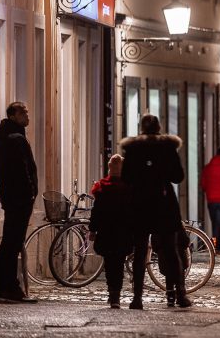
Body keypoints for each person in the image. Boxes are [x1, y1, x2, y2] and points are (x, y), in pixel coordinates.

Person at [121, 114, 191, 309]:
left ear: (141, 128)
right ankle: (180, 295)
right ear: (159, 128)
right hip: (164, 203)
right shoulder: (168, 147)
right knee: (171, 250)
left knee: (140, 251)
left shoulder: (133, 148)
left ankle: (137, 298)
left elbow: (126, 177)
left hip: (140, 204)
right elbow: (178, 176)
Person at [0, 102, 39, 303]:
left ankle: (6, 287)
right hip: (18, 199)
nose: (27, 116)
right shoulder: (14, 139)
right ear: (12, 116)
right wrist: (29, 193)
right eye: (23, 113)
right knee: (11, 244)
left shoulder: (10, 137)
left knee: (10, 243)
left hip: (13, 198)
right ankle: (9, 287)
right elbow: (20, 171)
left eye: (27, 112)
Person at [89, 154, 134, 308]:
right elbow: (131, 211)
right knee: (119, 263)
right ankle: (116, 295)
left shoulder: (102, 187)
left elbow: (96, 212)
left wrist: (93, 230)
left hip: (106, 231)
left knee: (109, 264)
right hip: (123, 231)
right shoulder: (128, 187)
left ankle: (112, 293)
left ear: (109, 168)